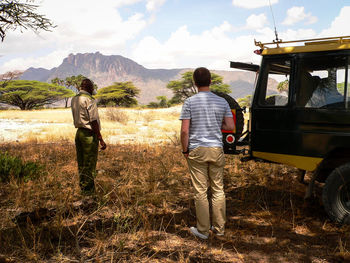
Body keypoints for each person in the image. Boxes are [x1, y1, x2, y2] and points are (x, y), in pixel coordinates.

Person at [180, 67, 234, 239]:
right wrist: (216, 126)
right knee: (218, 189)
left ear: (194, 83)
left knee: (200, 191)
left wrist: (185, 150)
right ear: (211, 81)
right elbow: (231, 127)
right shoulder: (222, 102)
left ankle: (203, 231)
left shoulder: (189, 102)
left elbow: (184, 131)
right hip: (216, 149)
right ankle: (219, 230)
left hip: (197, 150)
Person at [71, 78, 107, 195]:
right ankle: (89, 193)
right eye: (92, 88)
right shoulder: (89, 99)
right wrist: (100, 138)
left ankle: (83, 188)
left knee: (81, 163)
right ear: (89, 88)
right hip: (88, 135)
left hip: (79, 134)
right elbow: (93, 121)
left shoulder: (75, 98)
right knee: (90, 164)